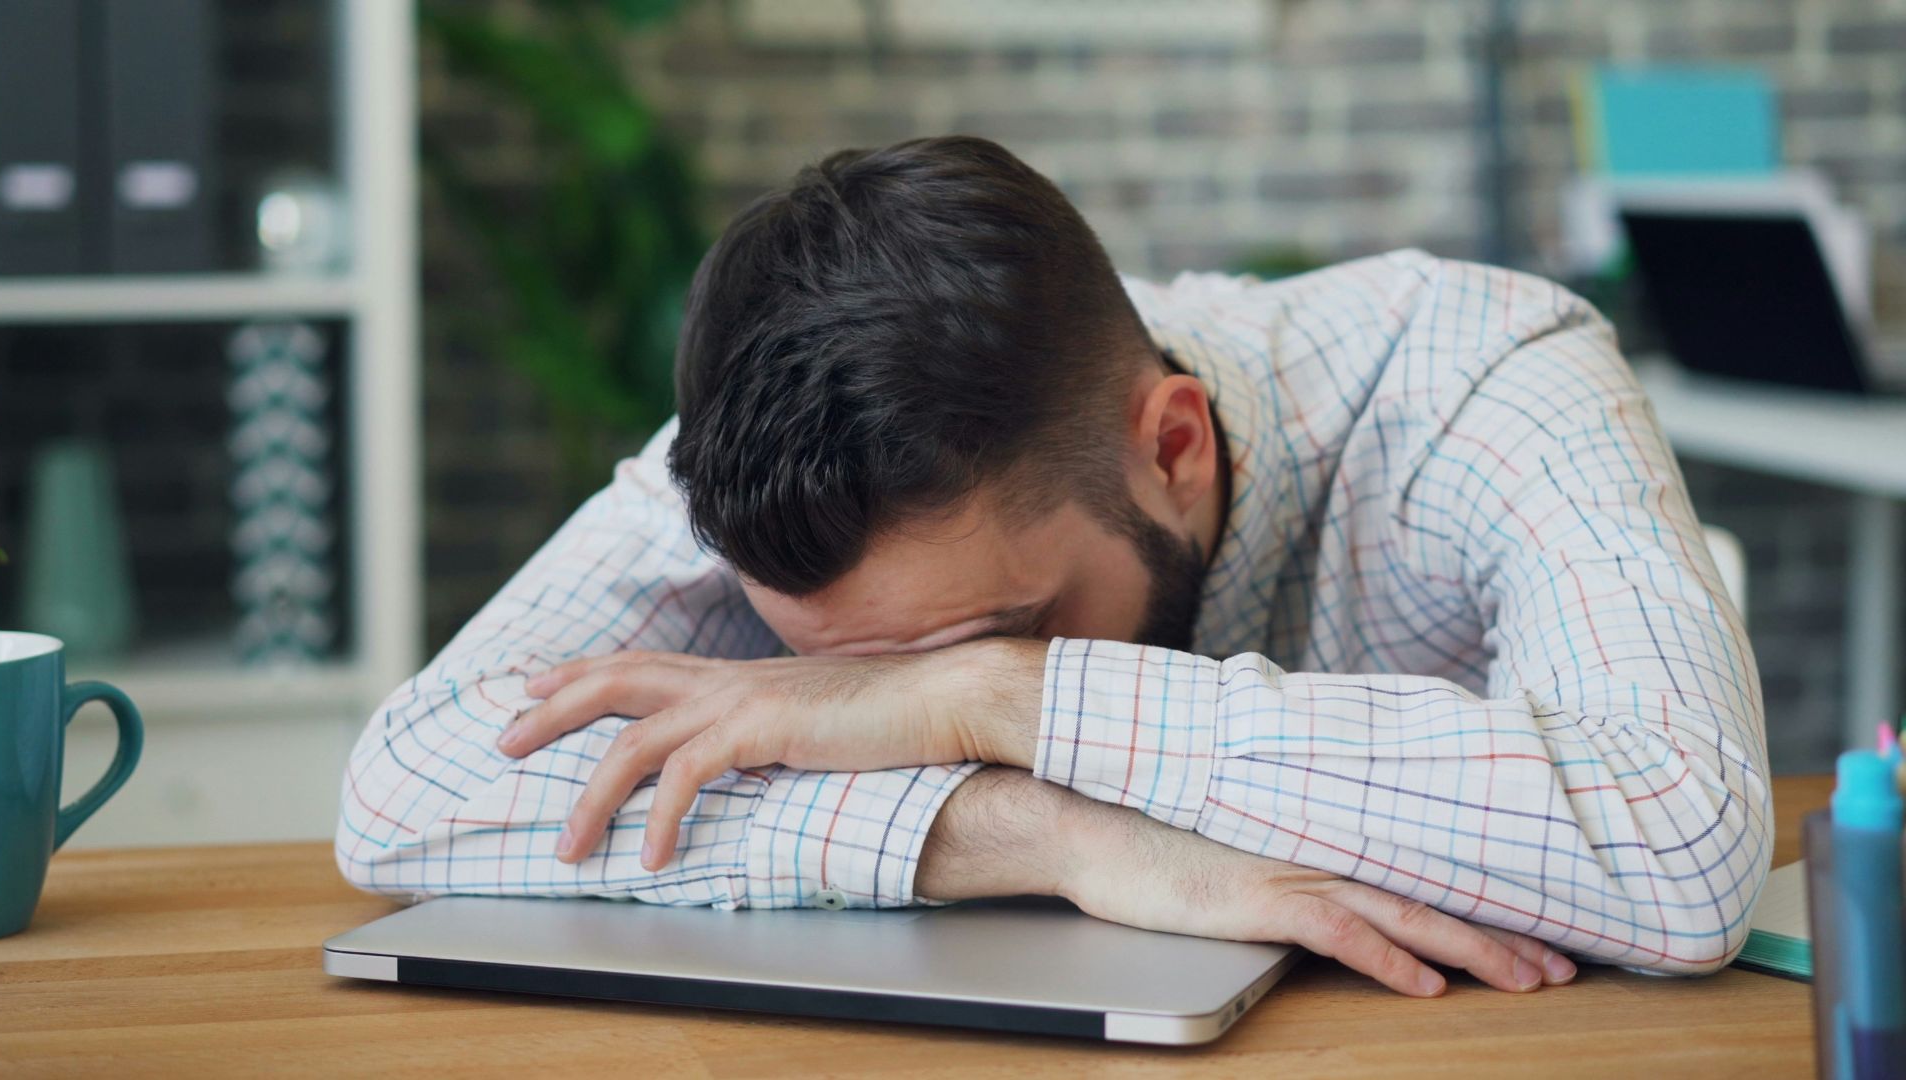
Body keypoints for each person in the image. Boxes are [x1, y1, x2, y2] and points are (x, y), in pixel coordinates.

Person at [337, 136, 1769, 998]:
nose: (875, 706)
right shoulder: (768, 450)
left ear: (1176, 446)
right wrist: (1040, 834)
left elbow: (1683, 843)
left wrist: (996, 700)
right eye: (847, 670)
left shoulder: (1485, 375)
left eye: (983, 634)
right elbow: (405, 794)